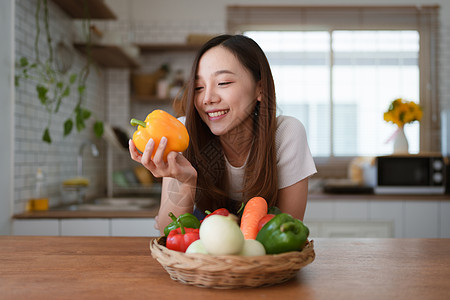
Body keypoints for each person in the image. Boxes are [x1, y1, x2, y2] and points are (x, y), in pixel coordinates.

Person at [129, 34, 316, 234]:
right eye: (199, 87)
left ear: (259, 89)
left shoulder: (285, 134)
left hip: (264, 259)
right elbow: (169, 232)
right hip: (202, 259)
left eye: (223, 83)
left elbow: (288, 232)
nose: (207, 98)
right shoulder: (182, 133)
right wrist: (185, 182)